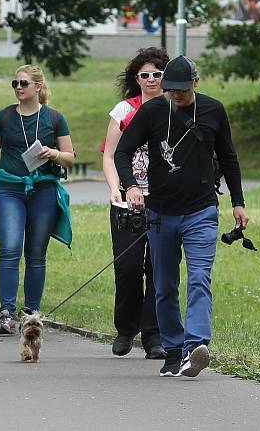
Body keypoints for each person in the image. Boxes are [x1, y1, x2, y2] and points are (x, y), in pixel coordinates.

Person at [115, 56, 248, 378]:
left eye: (182, 90)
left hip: (201, 210)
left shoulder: (213, 110)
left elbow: (228, 157)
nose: (176, 96)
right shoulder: (153, 111)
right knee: (164, 284)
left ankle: (196, 346)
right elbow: (122, 150)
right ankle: (173, 351)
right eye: (171, 90)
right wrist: (131, 187)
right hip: (160, 213)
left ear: (196, 83)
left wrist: (238, 202)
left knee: (200, 277)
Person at [0, 65, 74, 334]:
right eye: (15, 83)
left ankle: (32, 313)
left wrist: (53, 153)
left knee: (36, 253)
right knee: (10, 247)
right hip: (10, 188)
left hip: (43, 190)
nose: (19, 88)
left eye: (24, 83)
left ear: (38, 87)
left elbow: (69, 155)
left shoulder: (54, 118)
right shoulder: (4, 117)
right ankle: (6, 312)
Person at [101, 48, 170, 360]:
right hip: (127, 200)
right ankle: (126, 328)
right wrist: (116, 188)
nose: (152, 80)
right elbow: (110, 154)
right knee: (127, 266)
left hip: (165, 200)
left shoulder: (174, 109)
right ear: (136, 79)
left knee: (159, 267)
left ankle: (153, 335)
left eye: (157, 74)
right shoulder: (123, 110)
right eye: (145, 74)